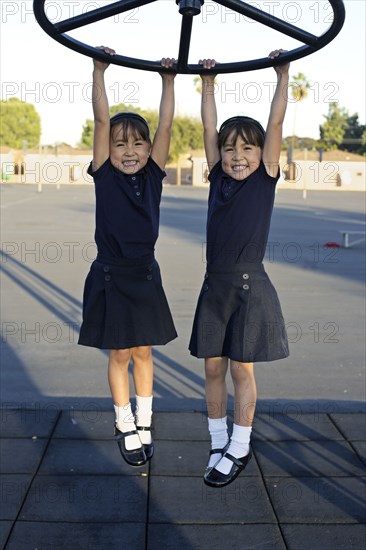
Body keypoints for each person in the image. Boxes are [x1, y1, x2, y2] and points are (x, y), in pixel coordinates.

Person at [189, 50, 290, 487]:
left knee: (240, 369)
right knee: (213, 368)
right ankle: (217, 437)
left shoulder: (265, 175)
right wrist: (208, 83)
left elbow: (278, 122)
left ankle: (241, 444)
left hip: (250, 287)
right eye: (230, 150)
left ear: (261, 153)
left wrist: (282, 75)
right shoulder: (218, 178)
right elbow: (210, 126)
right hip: (215, 286)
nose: (237, 156)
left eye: (247, 148)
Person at [78, 46, 177, 467]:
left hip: (145, 274)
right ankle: (123, 421)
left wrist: (168, 80)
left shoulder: (153, 174)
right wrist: (99, 71)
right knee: (119, 354)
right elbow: (103, 119)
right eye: (121, 145)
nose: (130, 150)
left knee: (144, 353)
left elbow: (166, 123)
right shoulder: (104, 174)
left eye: (138, 142)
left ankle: (145, 418)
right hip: (111, 274)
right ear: (108, 150)